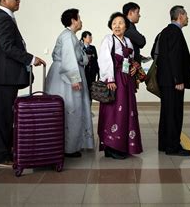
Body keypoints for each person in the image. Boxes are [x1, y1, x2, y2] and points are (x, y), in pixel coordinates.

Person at [0, 0, 45, 167]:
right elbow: (8, 47)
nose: (18, 1)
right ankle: (1, 156)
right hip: (3, 76)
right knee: (3, 116)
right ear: (4, 0)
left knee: (1, 114)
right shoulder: (2, 17)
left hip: (3, 75)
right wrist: (30, 59)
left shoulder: (3, 16)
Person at [46, 9, 94, 157]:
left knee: (72, 109)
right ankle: (69, 147)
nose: (81, 21)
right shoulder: (68, 37)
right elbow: (69, 59)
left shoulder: (70, 36)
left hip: (65, 75)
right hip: (65, 79)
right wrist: (74, 79)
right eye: (79, 18)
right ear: (73, 20)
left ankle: (69, 144)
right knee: (71, 109)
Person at [97, 12, 143, 160]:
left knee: (126, 112)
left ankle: (124, 145)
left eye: (120, 23)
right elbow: (104, 60)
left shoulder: (128, 41)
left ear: (126, 26)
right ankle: (111, 146)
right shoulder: (108, 40)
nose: (117, 26)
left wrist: (134, 67)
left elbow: (130, 59)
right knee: (113, 112)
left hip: (127, 81)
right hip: (114, 80)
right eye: (114, 23)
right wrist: (110, 79)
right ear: (111, 25)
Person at [153, 5, 190, 156]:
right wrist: (178, 79)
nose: (188, 18)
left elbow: (154, 52)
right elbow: (175, 57)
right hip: (173, 82)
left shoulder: (164, 32)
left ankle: (164, 144)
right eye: (186, 15)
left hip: (165, 80)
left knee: (166, 113)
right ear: (180, 16)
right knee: (174, 114)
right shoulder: (175, 32)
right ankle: (173, 147)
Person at [81, 31, 99, 101]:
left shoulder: (93, 48)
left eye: (91, 37)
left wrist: (97, 71)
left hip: (92, 71)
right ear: (84, 38)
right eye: (89, 37)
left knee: (91, 89)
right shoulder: (80, 48)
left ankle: (89, 106)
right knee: (84, 88)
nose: (91, 39)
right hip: (84, 71)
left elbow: (96, 59)